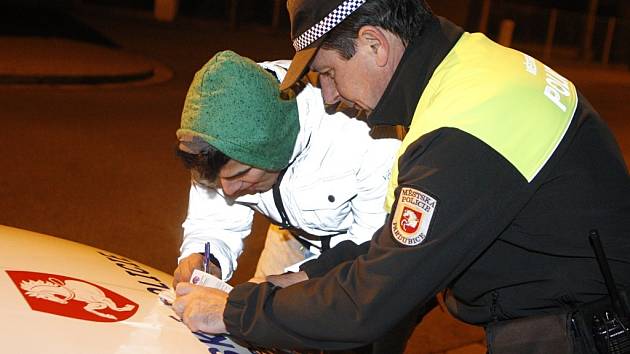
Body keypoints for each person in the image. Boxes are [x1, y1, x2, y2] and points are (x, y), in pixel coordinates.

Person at [173, 1, 630, 353]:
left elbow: (367, 304)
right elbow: (400, 241)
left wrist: (233, 311)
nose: (329, 97)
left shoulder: (462, 130)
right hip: (574, 313)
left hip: (580, 334)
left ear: (374, 44)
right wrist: (303, 276)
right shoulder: (471, 70)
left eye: (329, 73)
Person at [172, 50, 400, 295]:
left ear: (276, 149)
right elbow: (214, 224)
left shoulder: (367, 135)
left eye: (241, 174)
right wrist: (207, 261)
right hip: (291, 237)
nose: (228, 191)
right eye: (218, 181)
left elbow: (370, 246)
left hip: (364, 247)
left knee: (346, 327)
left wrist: (286, 288)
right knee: (250, 321)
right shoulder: (216, 133)